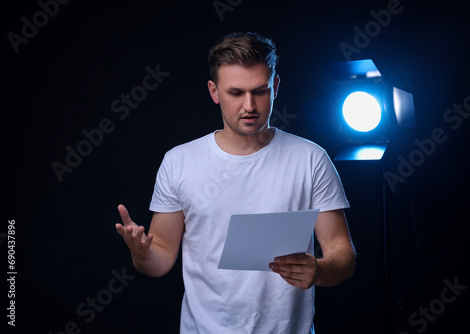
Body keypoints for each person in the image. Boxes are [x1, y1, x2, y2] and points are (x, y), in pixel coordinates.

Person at [115, 32, 356, 334]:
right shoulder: (180, 162)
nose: (249, 106)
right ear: (214, 92)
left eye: (260, 91)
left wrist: (319, 269)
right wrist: (142, 254)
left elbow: (342, 253)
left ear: (276, 87)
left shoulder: (310, 159)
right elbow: (160, 258)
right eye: (236, 93)